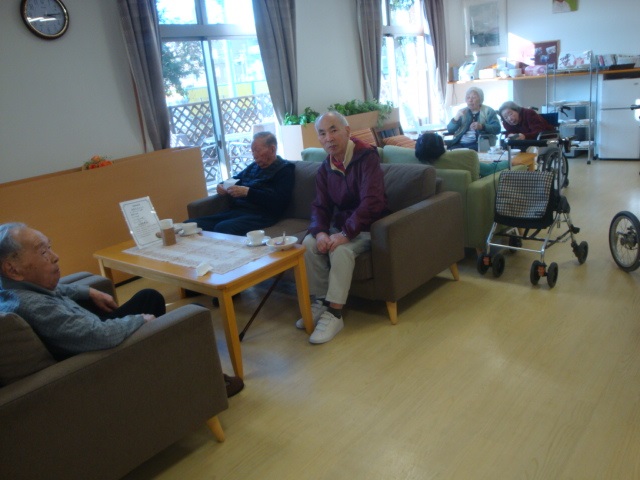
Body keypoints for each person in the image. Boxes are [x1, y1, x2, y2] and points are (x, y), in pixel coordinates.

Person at [0, 222, 244, 396]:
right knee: (191, 314)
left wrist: (89, 292)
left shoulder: (17, 289)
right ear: (12, 269)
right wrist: (139, 321)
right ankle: (207, 385)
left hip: (87, 332)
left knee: (148, 296)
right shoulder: (34, 306)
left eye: (50, 247)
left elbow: (58, 290)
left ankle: (161, 363)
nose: (55, 256)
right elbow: (98, 335)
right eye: (43, 252)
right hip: (100, 358)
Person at [298, 112, 389, 344]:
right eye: (322, 133)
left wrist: (346, 233)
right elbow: (320, 205)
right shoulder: (325, 167)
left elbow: (372, 202)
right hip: (342, 226)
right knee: (308, 244)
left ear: (347, 131)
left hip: (369, 227)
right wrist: (320, 232)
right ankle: (321, 301)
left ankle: (335, 314)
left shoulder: (366, 157)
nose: (328, 138)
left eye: (333, 130)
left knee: (340, 250)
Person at [187, 131, 295, 235]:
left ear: (272, 149)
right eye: (252, 151)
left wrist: (248, 192)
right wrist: (221, 185)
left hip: (262, 215)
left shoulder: (284, 170)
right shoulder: (254, 166)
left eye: (257, 150)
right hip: (238, 211)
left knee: (223, 227)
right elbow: (235, 179)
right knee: (190, 224)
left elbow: (279, 201)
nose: (254, 155)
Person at [415, 132, 509, 178]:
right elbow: (490, 170)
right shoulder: (461, 158)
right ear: (441, 146)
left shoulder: (413, 159)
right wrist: (508, 162)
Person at [446, 86, 501, 151]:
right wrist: (456, 117)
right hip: (460, 143)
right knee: (448, 151)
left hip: (479, 144)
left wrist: (482, 126)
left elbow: (497, 129)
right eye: (468, 97)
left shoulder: (488, 111)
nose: (470, 100)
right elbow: (450, 129)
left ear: (480, 99)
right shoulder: (462, 112)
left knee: (466, 153)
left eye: (473, 97)